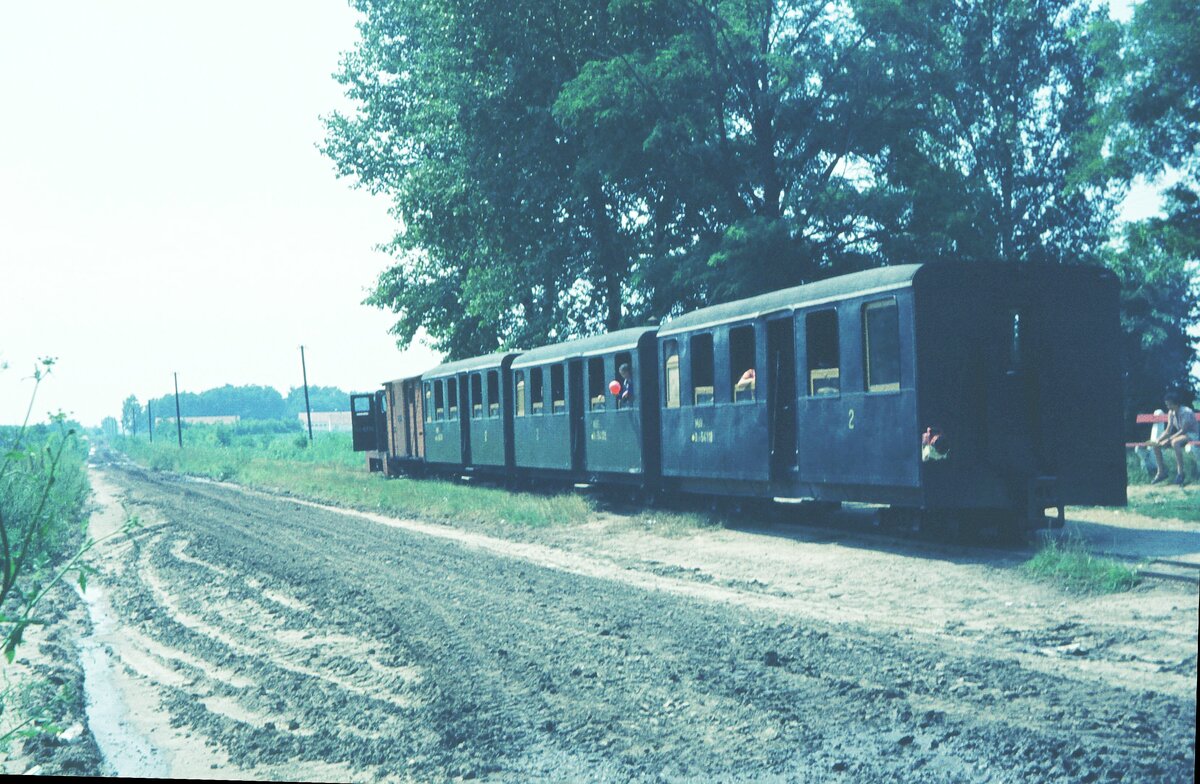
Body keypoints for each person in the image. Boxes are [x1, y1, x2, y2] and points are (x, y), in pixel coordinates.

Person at [1149, 389, 1199, 486]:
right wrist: (1159, 439)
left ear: (1176, 403)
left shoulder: (1186, 412)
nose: (1167, 406)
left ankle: (1180, 473)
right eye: (1167, 404)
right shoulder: (1171, 413)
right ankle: (1161, 472)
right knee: (1156, 444)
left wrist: (1168, 439)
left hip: (1192, 434)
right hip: (1182, 435)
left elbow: (1184, 430)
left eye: (1169, 404)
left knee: (1175, 442)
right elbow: (1168, 430)